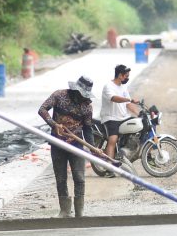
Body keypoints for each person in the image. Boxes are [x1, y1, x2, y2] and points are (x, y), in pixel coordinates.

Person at [38, 76, 97, 218]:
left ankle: (79, 211)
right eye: (80, 94)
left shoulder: (87, 107)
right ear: (75, 89)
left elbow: (88, 129)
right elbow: (42, 109)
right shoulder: (59, 95)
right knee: (61, 178)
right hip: (58, 143)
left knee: (79, 177)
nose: (82, 97)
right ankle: (64, 210)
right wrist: (54, 124)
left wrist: (93, 148)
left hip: (76, 145)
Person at [99, 64, 140, 168]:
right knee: (113, 139)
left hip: (123, 117)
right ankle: (109, 168)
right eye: (126, 76)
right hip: (110, 118)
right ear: (120, 75)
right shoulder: (108, 86)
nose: (127, 78)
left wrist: (139, 114)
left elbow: (128, 104)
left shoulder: (123, 87)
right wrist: (128, 99)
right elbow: (114, 98)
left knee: (139, 127)